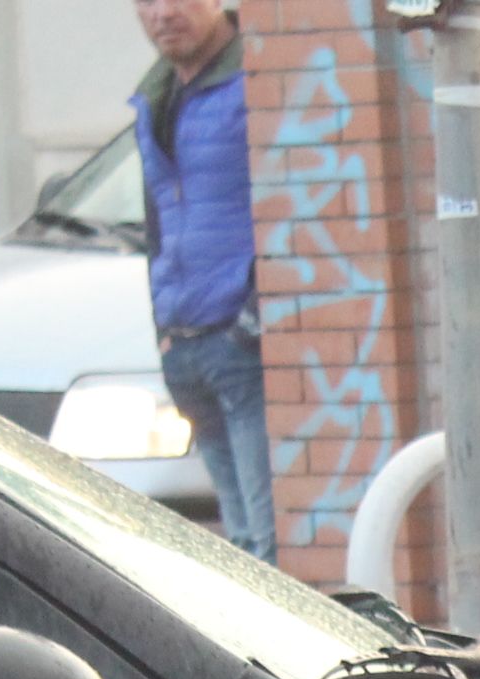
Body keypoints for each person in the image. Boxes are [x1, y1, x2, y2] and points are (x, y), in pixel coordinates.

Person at [130, 0, 275, 565]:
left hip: (238, 337)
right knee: (238, 547)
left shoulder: (253, 77)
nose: (164, 13)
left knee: (265, 541)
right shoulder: (155, 94)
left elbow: (285, 199)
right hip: (184, 341)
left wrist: (252, 318)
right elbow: (155, 223)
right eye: (147, 2)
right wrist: (162, 326)